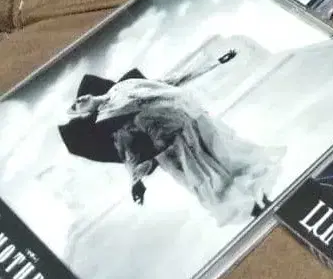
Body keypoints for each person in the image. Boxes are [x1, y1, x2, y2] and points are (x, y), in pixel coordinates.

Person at [58, 50, 284, 225]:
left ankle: (268, 203)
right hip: (175, 148)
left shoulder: (124, 86)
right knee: (213, 183)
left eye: (77, 100)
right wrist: (136, 182)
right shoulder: (107, 119)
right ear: (84, 114)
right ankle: (262, 214)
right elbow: (128, 151)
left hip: (192, 122)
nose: (78, 101)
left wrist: (214, 63)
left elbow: (170, 81)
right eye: (76, 107)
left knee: (232, 160)